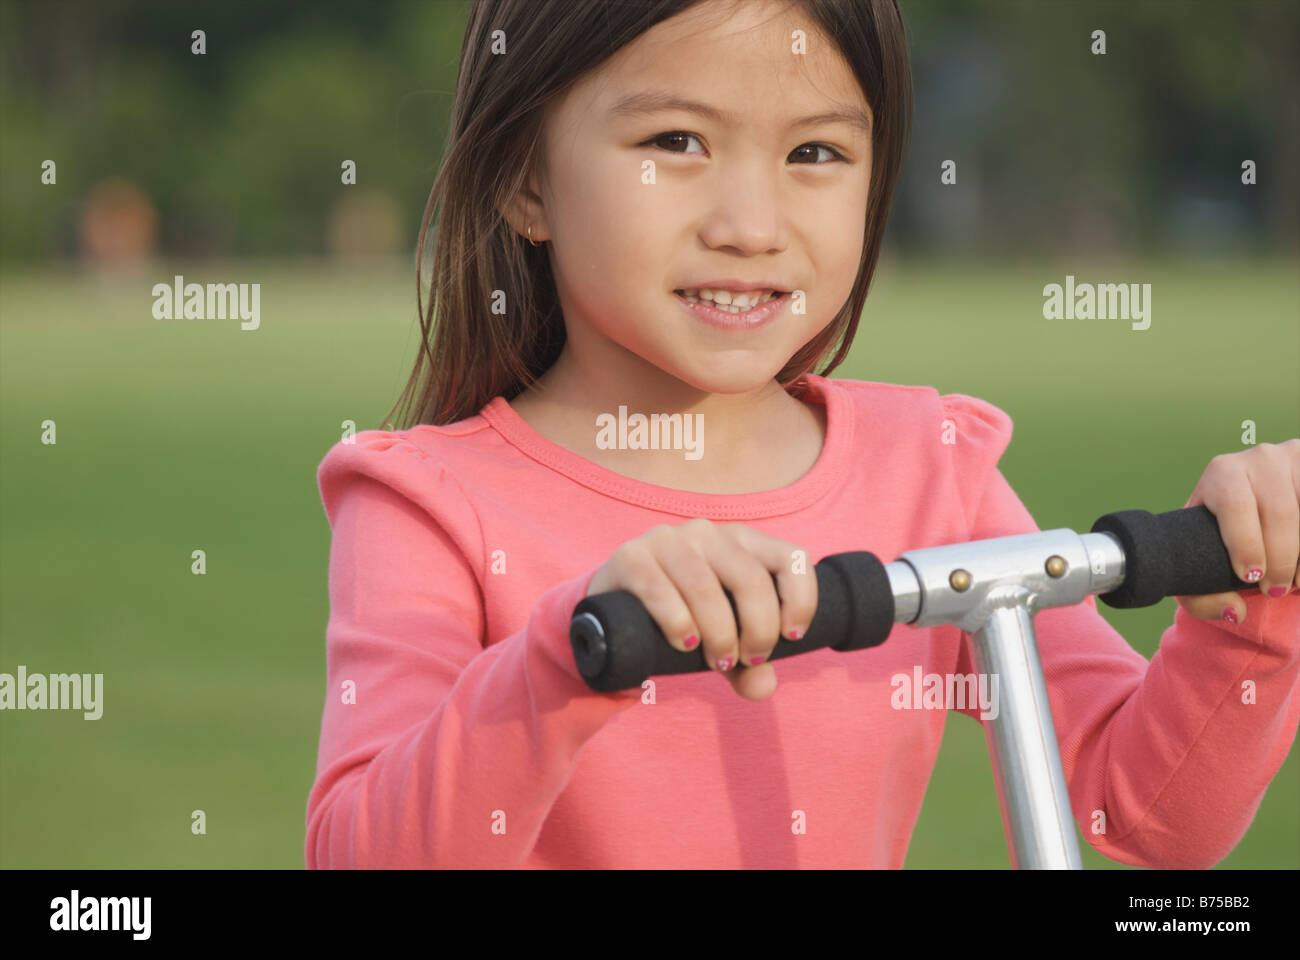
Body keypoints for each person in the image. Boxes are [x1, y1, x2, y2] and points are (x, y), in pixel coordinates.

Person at [304, 0, 1299, 868]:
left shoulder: (927, 474)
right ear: (526, 179)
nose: (750, 223)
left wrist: (1249, 609)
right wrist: (562, 656)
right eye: (674, 144)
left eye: (814, 154)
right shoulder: (431, 504)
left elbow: (1143, 815)